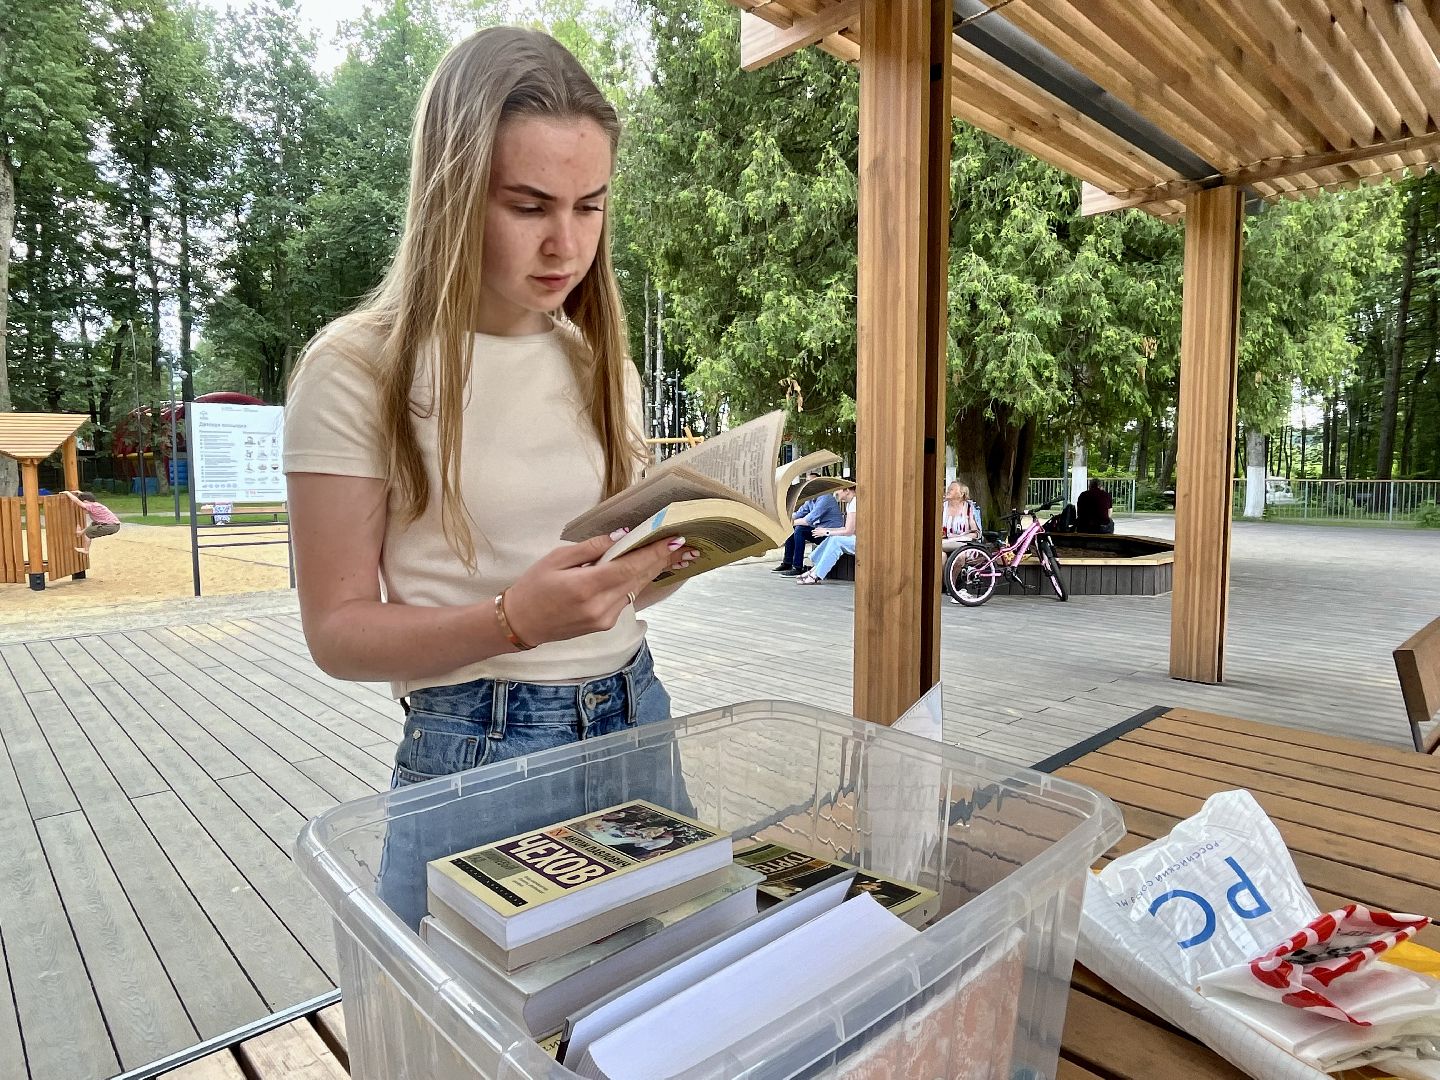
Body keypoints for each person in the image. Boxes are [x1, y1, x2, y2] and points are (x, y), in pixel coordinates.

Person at [281, 27, 701, 926]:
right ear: (451, 192)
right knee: (463, 1043)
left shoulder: (601, 360)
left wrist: (656, 568)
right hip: (480, 737)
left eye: (590, 206)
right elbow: (337, 632)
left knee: (654, 1011)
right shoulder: (358, 369)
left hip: (636, 706)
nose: (566, 244)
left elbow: (601, 590)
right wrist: (514, 622)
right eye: (528, 205)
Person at [775, 482, 846, 576]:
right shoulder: (811, 500)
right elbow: (798, 514)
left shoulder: (825, 498)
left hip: (830, 534)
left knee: (800, 529)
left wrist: (788, 523)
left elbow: (807, 521)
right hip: (819, 531)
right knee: (793, 529)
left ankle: (797, 567)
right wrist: (783, 518)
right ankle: (787, 563)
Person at [796, 487, 856, 585]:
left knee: (836, 541)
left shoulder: (855, 502)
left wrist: (826, 532)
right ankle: (814, 570)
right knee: (832, 538)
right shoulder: (851, 503)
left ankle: (815, 575)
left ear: (847, 490)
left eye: (838, 489)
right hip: (856, 538)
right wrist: (826, 531)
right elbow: (846, 529)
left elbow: (849, 531)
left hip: (863, 541)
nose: (835, 492)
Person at [941, 481, 982, 551]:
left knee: (960, 556)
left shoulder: (969, 508)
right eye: (948, 489)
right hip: (944, 542)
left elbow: (975, 533)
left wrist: (959, 538)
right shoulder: (941, 507)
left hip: (964, 545)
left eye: (951, 489)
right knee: (941, 556)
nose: (947, 491)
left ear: (961, 494)